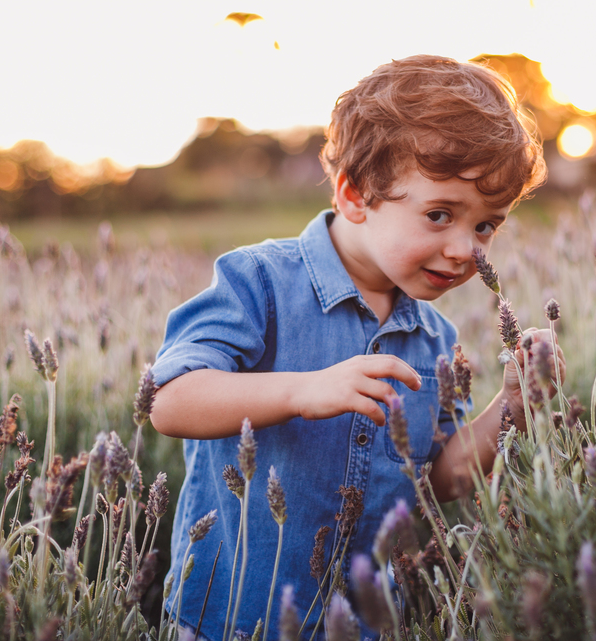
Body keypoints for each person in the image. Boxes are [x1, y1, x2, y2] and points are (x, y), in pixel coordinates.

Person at [150, 54, 556, 639]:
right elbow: (168, 399)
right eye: (439, 214)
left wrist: (512, 406)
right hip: (233, 621)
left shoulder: (436, 340)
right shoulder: (259, 283)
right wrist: (301, 390)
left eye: (486, 225)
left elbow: (439, 480)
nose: (467, 249)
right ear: (355, 195)